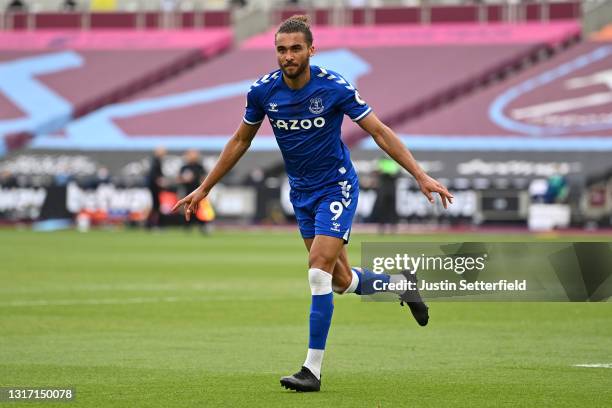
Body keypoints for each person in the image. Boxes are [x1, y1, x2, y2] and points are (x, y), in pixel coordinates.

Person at [172, 15, 453, 392]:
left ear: (311, 50)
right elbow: (241, 140)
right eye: (281, 50)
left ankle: (312, 370)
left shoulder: (334, 87)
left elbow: (379, 131)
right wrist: (204, 187)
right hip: (301, 193)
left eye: (295, 49)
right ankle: (400, 284)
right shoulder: (262, 92)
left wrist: (419, 174)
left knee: (317, 270)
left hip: (336, 188)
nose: (288, 56)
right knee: (340, 281)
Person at [178, 150, 208, 232]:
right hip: (187, 192)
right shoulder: (184, 167)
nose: (193, 156)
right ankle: (187, 226)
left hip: (199, 192)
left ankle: (202, 226)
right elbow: (179, 179)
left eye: (195, 154)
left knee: (200, 209)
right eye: (191, 154)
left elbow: (204, 178)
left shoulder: (199, 167)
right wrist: (185, 179)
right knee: (187, 209)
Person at [147, 146, 166, 229]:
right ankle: (153, 224)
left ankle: (150, 224)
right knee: (156, 205)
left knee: (156, 205)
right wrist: (159, 180)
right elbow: (154, 175)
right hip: (154, 187)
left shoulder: (156, 161)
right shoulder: (156, 161)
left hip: (154, 186)